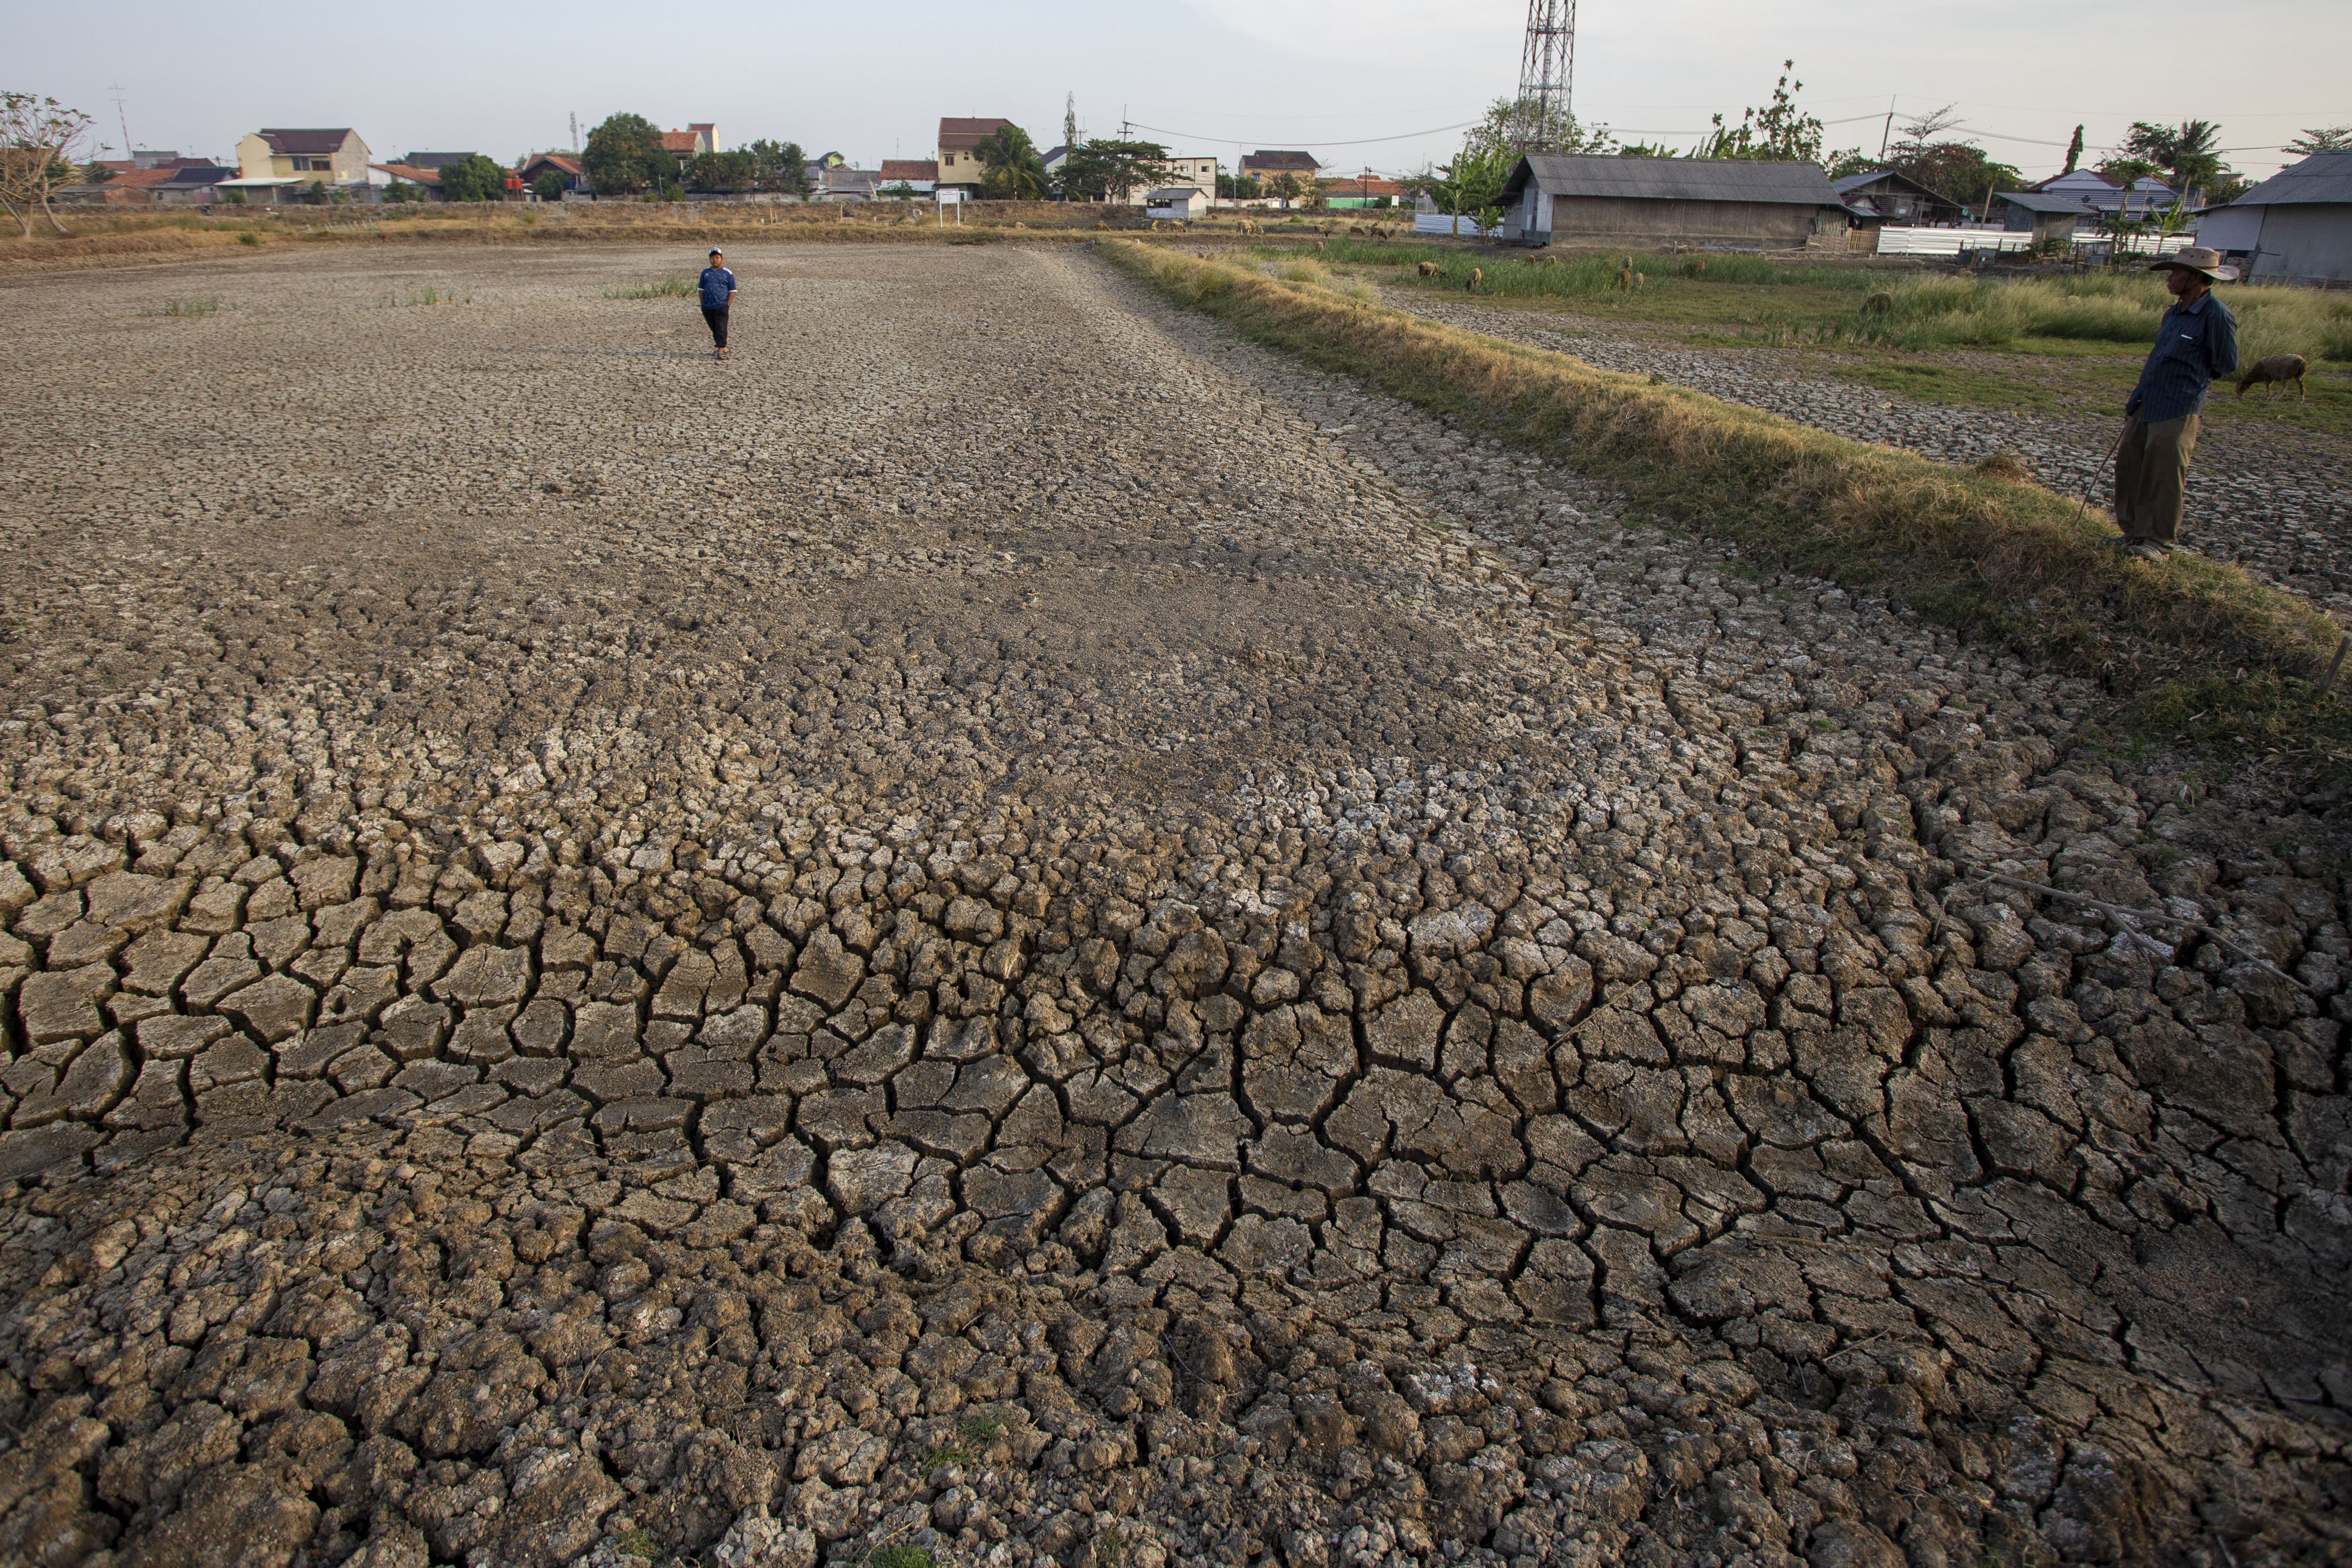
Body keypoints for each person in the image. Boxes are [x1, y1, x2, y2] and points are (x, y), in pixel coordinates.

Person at [2113, 245, 2239, 559]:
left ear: (2196, 278)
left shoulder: (2216, 315)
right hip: (2147, 401)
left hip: (2178, 406)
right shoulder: (2173, 313)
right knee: (2131, 464)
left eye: (2176, 273)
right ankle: (2133, 533)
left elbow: (2226, 363)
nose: (2170, 279)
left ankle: (2157, 541)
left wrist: (2190, 381)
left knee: (2165, 473)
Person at [698, 248, 738, 360]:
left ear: (722, 259)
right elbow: (701, 289)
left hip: (721, 306)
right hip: (707, 306)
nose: (715, 260)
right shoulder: (705, 273)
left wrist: (727, 305)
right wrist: (703, 304)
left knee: (721, 328)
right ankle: (722, 346)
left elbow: (732, 290)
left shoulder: (727, 273)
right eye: (712, 258)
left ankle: (721, 350)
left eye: (717, 258)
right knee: (714, 328)